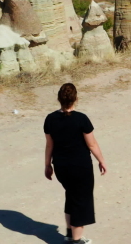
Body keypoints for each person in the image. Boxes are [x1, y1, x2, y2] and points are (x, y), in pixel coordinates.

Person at [44, 83, 107, 244]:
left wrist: (47, 165)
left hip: (61, 167)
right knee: (81, 201)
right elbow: (92, 144)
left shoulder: (50, 119)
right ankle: (76, 240)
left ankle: (70, 233)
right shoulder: (81, 119)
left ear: (59, 98)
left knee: (71, 196)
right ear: (76, 99)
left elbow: (49, 145)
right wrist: (101, 160)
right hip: (80, 168)